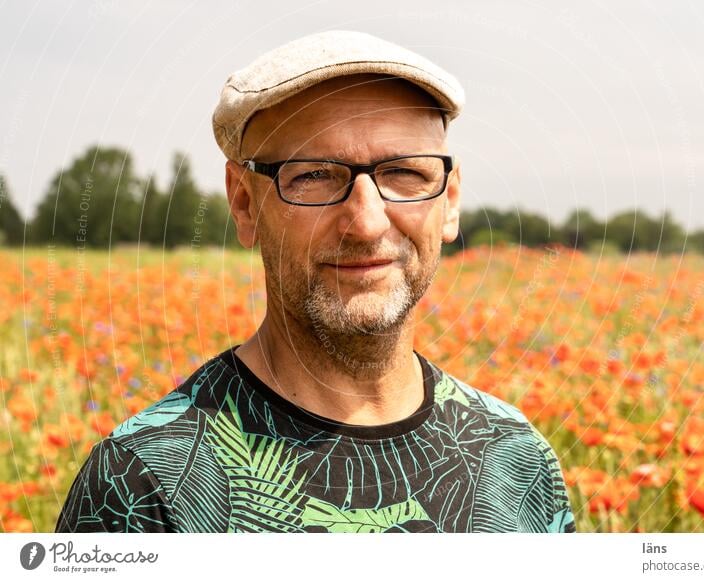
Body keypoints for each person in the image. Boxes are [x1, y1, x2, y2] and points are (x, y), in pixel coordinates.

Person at [55, 30, 576, 533]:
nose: (368, 221)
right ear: (244, 203)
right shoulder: (143, 485)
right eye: (313, 176)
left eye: (405, 174)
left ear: (450, 200)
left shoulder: (517, 460)